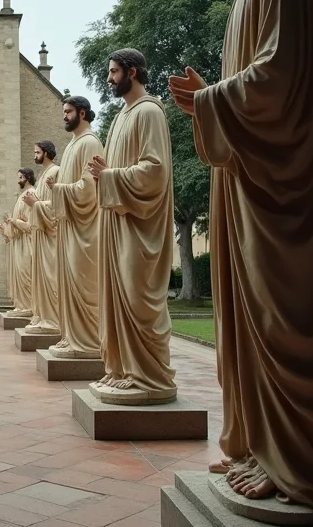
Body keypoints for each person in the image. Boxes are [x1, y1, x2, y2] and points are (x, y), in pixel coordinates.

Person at [169, 0, 313, 510]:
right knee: (254, 317)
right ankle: (265, 446)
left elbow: (282, 75)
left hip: (284, 186)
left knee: (282, 313)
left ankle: (299, 459)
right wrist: (213, 97)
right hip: (252, 180)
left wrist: (210, 100)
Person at [89, 49, 176, 404]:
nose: (109, 78)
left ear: (132, 71)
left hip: (139, 226)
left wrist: (109, 175)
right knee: (116, 296)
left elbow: (155, 171)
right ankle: (123, 369)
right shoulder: (120, 118)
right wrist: (104, 174)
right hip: (117, 223)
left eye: (113, 72)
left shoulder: (149, 112)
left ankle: (149, 376)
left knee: (138, 297)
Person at [48, 96, 104, 359]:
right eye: (64, 111)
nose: (64, 116)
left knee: (84, 283)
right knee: (68, 284)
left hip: (84, 228)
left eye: (68, 111)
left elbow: (89, 189)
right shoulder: (72, 145)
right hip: (69, 226)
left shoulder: (90, 142)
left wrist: (58, 189)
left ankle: (89, 341)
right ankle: (71, 337)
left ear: (82, 113)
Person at [22, 141, 61, 334]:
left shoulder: (55, 172)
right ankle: (43, 316)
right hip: (40, 236)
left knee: (51, 277)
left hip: (50, 236)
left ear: (46, 153)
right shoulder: (44, 174)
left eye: (37, 152)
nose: (34, 156)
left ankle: (53, 320)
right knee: (41, 278)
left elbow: (56, 206)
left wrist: (35, 204)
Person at [5, 168, 36, 317]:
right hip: (19, 241)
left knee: (26, 273)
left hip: (27, 242)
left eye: (20, 178)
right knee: (19, 274)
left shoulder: (31, 194)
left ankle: (29, 306)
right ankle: (21, 305)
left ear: (27, 177)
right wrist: (9, 226)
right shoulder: (21, 196)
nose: (18, 181)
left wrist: (15, 221)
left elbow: (31, 224)